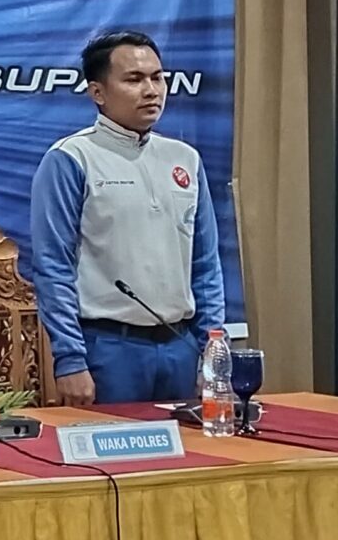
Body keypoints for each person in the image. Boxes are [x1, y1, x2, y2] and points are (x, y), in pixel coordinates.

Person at [29, 30, 226, 406]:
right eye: (134, 79)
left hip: (181, 348)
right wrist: (70, 359)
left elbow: (205, 265)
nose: (151, 90)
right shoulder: (71, 158)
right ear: (98, 92)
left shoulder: (185, 158)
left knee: (190, 447)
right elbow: (53, 267)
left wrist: (212, 349)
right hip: (107, 351)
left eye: (157, 77)